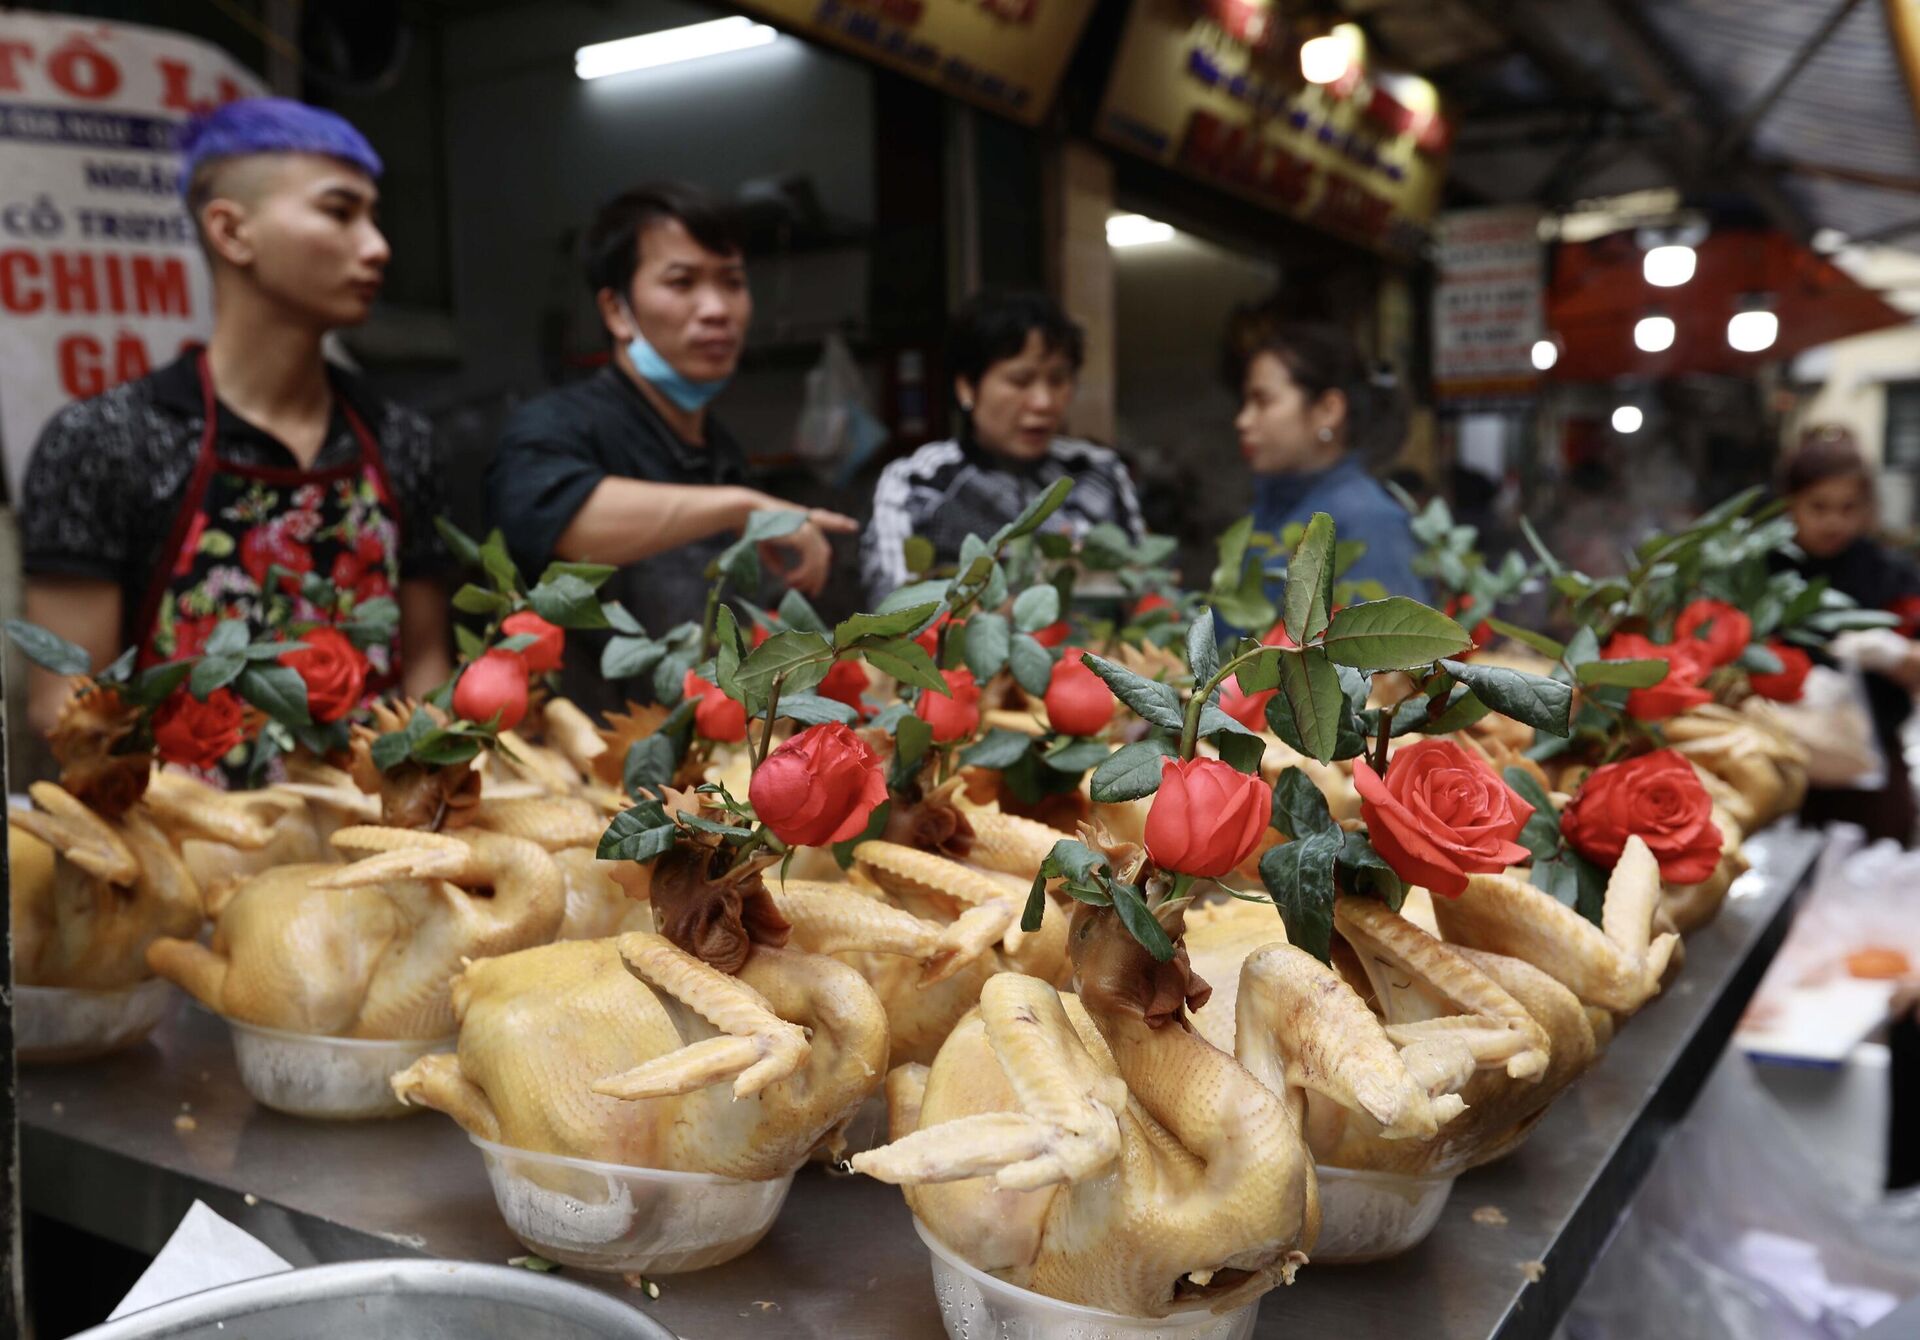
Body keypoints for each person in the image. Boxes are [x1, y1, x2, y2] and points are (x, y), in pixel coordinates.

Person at [21, 97, 451, 745]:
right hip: (180, 833)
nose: (378, 247)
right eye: (339, 212)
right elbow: (66, 702)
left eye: (374, 217)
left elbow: (423, 666)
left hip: (378, 831)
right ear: (231, 232)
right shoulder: (105, 440)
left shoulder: (402, 441)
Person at [488, 182, 856, 710]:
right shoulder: (557, 427)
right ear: (617, 311)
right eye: (682, 282)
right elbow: (559, 521)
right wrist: (741, 508)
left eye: (732, 282)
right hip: (585, 762)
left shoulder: (721, 449)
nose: (716, 309)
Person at [861, 290, 1144, 602]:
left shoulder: (1099, 473)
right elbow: (892, 610)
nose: (1044, 402)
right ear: (967, 387)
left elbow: (1147, 588)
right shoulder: (918, 484)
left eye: (1058, 380)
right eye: (1020, 381)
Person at [1775, 426, 1920, 843]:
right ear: (1791, 505)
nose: (1833, 521)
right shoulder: (1764, 571)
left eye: (1847, 508)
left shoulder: (1888, 573)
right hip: (1784, 767)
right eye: (1818, 507)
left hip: (1872, 770)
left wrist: (1894, 655)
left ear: (1866, 508)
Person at [1231, 320, 1424, 598]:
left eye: (1263, 401)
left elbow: (1388, 639)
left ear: (1328, 410)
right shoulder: (1269, 509)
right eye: (1245, 403)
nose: (1243, 421)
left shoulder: (1369, 523)